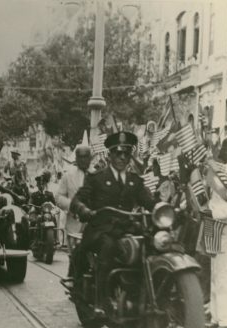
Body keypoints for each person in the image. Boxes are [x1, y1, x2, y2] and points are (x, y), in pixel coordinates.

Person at [70, 131, 155, 314]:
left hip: (127, 230)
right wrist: (84, 210)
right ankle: (102, 300)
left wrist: (164, 208)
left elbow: (150, 202)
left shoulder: (135, 181)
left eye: (126, 153)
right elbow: (78, 200)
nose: (122, 158)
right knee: (108, 246)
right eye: (118, 153)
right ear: (110, 155)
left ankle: (145, 295)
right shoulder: (96, 178)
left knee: (150, 246)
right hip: (102, 230)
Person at [207, 135, 227, 328]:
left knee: (222, 272)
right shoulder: (219, 170)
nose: (221, 151)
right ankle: (217, 316)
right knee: (217, 272)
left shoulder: (225, 171)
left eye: (225, 148)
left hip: (223, 225)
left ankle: (225, 319)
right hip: (216, 223)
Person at [56, 146, 93, 245]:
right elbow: (59, 197)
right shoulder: (67, 176)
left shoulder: (98, 175)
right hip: (74, 223)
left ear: (91, 158)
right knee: (75, 256)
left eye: (85, 156)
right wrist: (73, 206)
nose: (83, 160)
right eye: (80, 157)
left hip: (93, 223)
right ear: (76, 158)